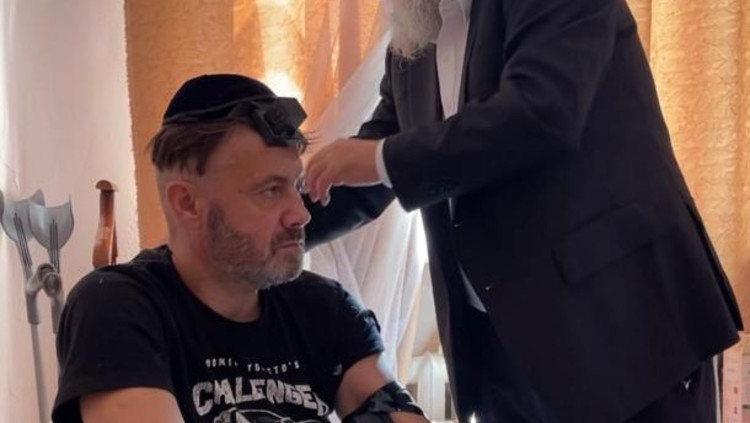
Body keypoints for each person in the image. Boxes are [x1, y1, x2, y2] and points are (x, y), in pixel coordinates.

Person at [302, 0, 744, 422]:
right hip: (500, 351)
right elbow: (373, 162)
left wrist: (381, 158)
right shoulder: (417, 31)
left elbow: (540, 111)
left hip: (620, 327)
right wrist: (280, 224)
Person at [52, 74, 427, 423]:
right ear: (187, 203)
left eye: (296, 187)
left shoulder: (324, 308)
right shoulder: (118, 308)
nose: (301, 214)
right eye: (270, 190)